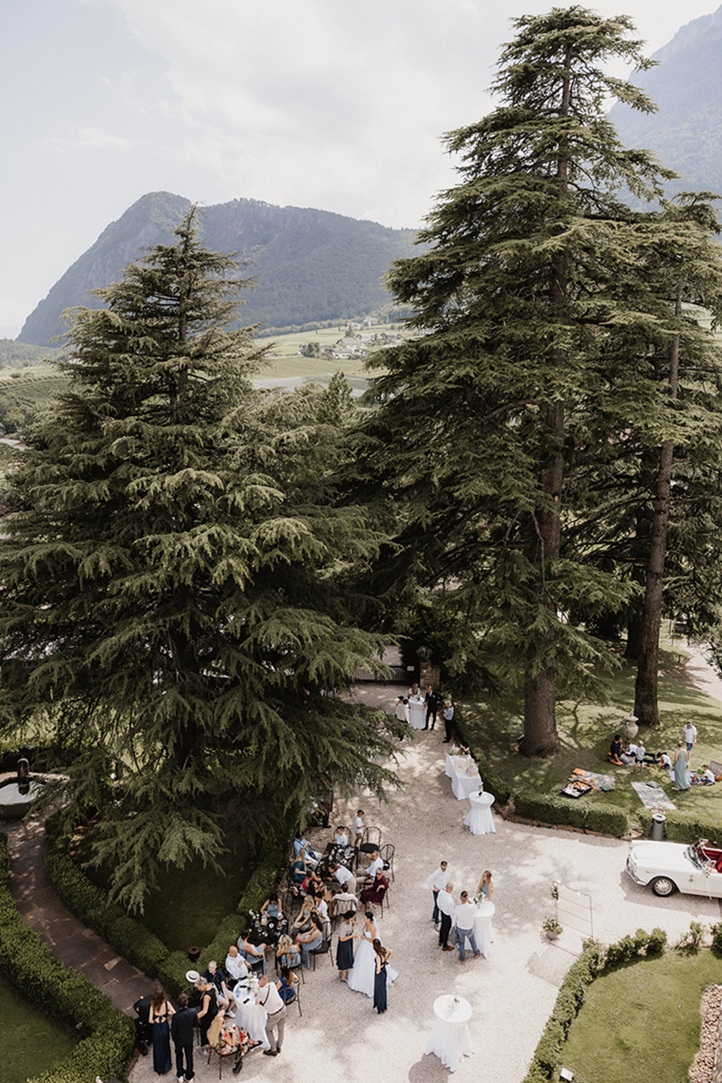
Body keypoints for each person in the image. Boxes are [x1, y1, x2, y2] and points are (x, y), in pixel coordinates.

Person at [347, 910, 378, 997]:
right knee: (358, 960)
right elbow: (364, 931)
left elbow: (373, 940)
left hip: (368, 945)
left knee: (367, 962)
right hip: (363, 944)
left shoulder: (373, 928)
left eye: (365, 918)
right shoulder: (365, 924)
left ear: (368, 919)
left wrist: (365, 938)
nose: (363, 918)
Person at [255, 973, 287, 1057]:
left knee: (268, 1029)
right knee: (281, 1029)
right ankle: (279, 1046)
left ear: (262, 981)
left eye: (259, 981)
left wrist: (257, 991)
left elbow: (257, 1003)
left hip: (274, 1014)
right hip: (283, 1008)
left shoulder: (261, 991)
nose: (258, 982)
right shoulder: (272, 984)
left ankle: (273, 1049)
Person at [148, 983, 174, 1075]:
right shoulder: (166, 1004)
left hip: (157, 1028)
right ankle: (167, 1065)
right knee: (166, 1045)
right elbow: (174, 1012)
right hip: (164, 1026)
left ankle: (159, 1068)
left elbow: (150, 1020)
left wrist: (156, 1020)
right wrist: (167, 1015)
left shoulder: (153, 1006)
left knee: (158, 1048)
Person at [170, 992, 197, 1083]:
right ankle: (189, 1075)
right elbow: (196, 1024)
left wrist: (174, 1039)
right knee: (189, 1056)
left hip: (179, 1040)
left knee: (179, 1056)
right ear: (187, 1002)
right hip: (188, 1038)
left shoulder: (175, 1017)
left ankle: (180, 1074)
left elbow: (173, 1030)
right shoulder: (192, 1012)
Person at [454, 890, 481, 963]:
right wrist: (470, 902)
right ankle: (476, 953)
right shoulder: (472, 907)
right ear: (467, 898)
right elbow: (477, 906)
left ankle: (462, 957)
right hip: (469, 927)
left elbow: (455, 918)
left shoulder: (458, 908)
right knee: (472, 941)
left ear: (460, 898)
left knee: (461, 943)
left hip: (460, 927)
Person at [195, 976, 219, 1048]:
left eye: (198, 987)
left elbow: (204, 1011)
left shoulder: (206, 996)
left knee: (205, 1030)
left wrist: (194, 1017)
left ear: (202, 985)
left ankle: (206, 1046)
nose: (198, 989)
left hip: (208, 1015)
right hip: (214, 1010)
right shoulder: (211, 986)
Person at [426, 860, 449, 925]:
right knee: (437, 905)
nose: (443, 870)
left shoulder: (445, 872)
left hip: (442, 891)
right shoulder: (437, 873)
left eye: (445, 868)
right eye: (442, 868)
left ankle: (434, 916)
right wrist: (433, 888)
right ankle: (436, 919)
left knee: (440, 904)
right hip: (437, 891)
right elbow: (428, 880)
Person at [336, 910, 356, 981]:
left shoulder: (348, 922)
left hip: (348, 942)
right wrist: (352, 936)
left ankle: (344, 972)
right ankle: (343, 976)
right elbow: (342, 938)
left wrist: (353, 924)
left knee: (347, 955)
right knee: (345, 957)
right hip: (344, 943)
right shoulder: (344, 926)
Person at [373, 938, 391, 1014]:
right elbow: (391, 951)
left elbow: (378, 969)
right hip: (384, 971)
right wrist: (386, 960)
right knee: (383, 989)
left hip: (379, 974)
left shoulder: (378, 956)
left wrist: (378, 968)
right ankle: (383, 1006)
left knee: (378, 989)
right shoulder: (383, 950)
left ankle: (380, 1007)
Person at [437, 880, 455, 950]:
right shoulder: (450, 900)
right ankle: (445, 945)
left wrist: (441, 908)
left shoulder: (441, 893)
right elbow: (451, 911)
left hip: (442, 912)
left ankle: (440, 940)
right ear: (450, 889)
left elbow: (438, 901)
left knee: (442, 927)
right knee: (446, 930)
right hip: (447, 915)